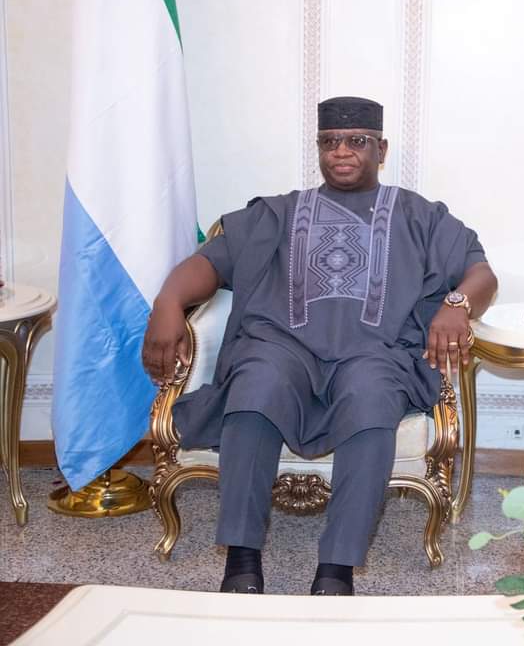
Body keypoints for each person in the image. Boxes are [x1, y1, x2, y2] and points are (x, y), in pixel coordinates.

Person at [141, 96, 497, 596]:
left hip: (375, 354)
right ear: (318, 148)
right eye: (330, 142)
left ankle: (336, 569)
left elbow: (480, 273)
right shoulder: (279, 213)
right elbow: (211, 262)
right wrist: (168, 302)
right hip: (282, 349)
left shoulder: (421, 216)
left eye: (357, 141)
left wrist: (458, 304)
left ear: (381, 148)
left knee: (372, 397)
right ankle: (241, 562)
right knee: (255, 385)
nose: (342, 152)